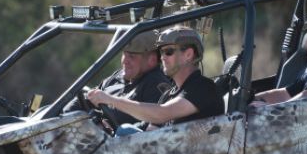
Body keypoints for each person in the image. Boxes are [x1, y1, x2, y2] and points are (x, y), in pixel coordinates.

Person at [87, 26, 223, 128]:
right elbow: (150, 129)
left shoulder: (203, 88)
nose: (162, 57)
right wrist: (113, 130)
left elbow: (162, 113)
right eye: (161, 52)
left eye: (168, 51)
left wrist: (111, 100)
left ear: (188, 54)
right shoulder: (169, 95)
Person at [64, 31, 169, 125]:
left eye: (131, 56)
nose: (124, 61)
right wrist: (64, 119)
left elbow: (149, 129)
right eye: (124, 54)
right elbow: (89, 97)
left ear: (152, 60)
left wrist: (109, 130)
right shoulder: (118, 76)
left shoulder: (156, 85)